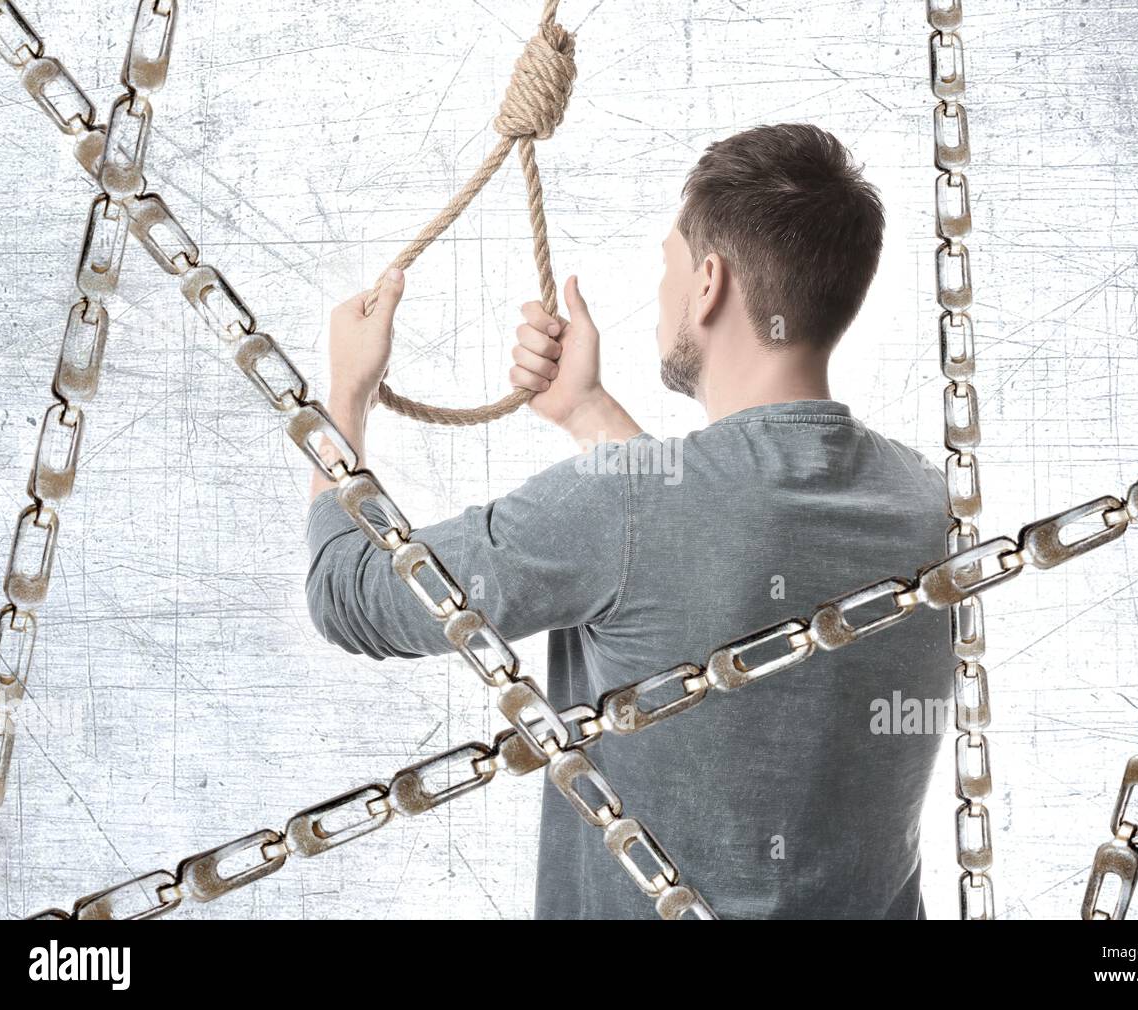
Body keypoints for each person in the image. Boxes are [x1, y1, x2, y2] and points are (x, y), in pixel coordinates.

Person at [305, 122, 956, 919]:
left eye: (669, 267)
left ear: (709, 283)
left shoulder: (619, 508)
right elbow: (720, 541)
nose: (662, 295)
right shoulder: (929, 506)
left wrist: (344, 395)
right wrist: (588, 412)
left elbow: (349, 590)